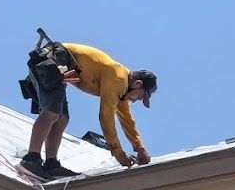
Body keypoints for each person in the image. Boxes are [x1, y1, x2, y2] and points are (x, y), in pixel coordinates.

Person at [20, 39, 157, 179]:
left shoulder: (123, 89)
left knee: (62, 118)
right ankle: (31, 159)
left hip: (55, 67)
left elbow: (127, 120)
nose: (134, 101)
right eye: (139, 97)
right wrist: (118, 152)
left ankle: (51, 164)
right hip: (51, 63)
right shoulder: (119, 79)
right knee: (51, 113)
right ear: (138, 83)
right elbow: (106, 117)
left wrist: (140, 148)